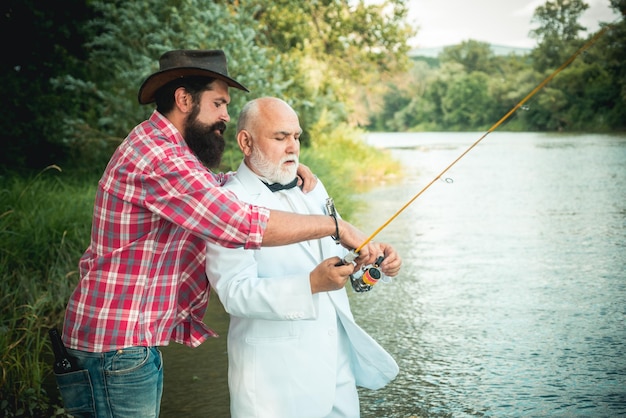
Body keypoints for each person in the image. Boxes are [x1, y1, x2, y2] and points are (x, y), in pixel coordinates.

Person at [55, 50, 389, 417]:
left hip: (122, 343)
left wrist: (281, 164)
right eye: (218, 103)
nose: (225, 116)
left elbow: (206, 190)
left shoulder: (166, 149)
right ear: (184, 100)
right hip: (115, 347)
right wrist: (337, 226)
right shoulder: (159, 157)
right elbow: (237, 220)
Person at [205, 97, 402, 418]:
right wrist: (310, 284)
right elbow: (234, 293)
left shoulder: (312, 186)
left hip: (337, 367)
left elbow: (336, 255)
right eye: (280, 138)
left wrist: (371, 259)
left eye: (296, 137)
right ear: (245, 141)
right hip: (276, 382)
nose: (292, 147)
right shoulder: (228, 202)